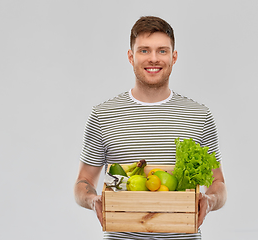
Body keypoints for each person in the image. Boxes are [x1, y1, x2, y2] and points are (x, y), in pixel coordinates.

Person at [74, 16, 227, 239]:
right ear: (130, 56)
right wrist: (93, 199)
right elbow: (83, 182)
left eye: (162, 51)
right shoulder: (103, 115)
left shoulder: (199, 115)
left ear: (174, 57)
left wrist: (210, 201)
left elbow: (218, 183)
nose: (153, 59)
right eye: (144, 50)